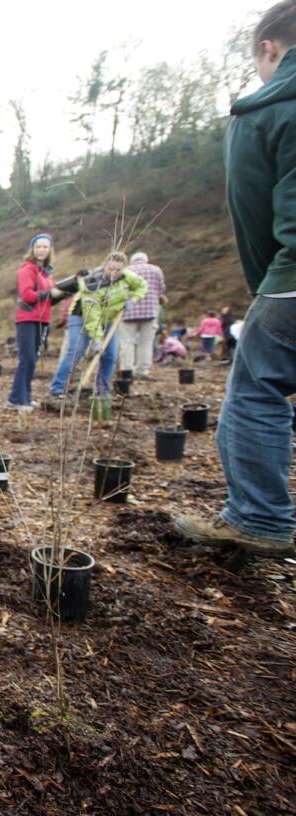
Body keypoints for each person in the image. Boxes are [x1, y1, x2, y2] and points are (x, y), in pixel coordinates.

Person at [176, 0, 296, 558]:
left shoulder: (269, 105)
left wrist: (266, 286)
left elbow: (252, 214)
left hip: (291, 277)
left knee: (255, 391)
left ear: (268, 48)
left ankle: (260, 517)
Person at [47, 252, 146, 399]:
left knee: (110, 355)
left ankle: (102, 392)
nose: (114, 273)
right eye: (110, 268)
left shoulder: (127, 277)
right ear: (105, 265)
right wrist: (98, 340)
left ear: (124, 269)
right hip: (81, 317)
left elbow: (142, 285)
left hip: (108, 319)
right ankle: (57, 388)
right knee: (76, 351)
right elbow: (93, 317)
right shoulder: (92, 284)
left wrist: (134, 299)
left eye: (118, 270)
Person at [7, 234, 55, 411]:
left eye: (45, 246)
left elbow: (47, 297)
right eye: (38, 246)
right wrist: (50, 294)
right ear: (32, 249)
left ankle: (24, 396)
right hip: (27, 318)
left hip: (41, 319)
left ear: (50, 249)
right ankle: (17, 399)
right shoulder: (27, 269)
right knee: (26, 359)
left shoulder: (46, 272)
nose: (41, 250)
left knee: (32, 359)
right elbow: (27, 295)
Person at [118, 252, 166, 380]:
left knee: (126, 342)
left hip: (128, 312)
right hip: (150, 312)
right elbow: (161, 289)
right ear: (146, 260)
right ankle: (143, 370)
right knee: (146, 343)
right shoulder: (156, 270)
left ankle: (127, 369)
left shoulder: (126, 270)